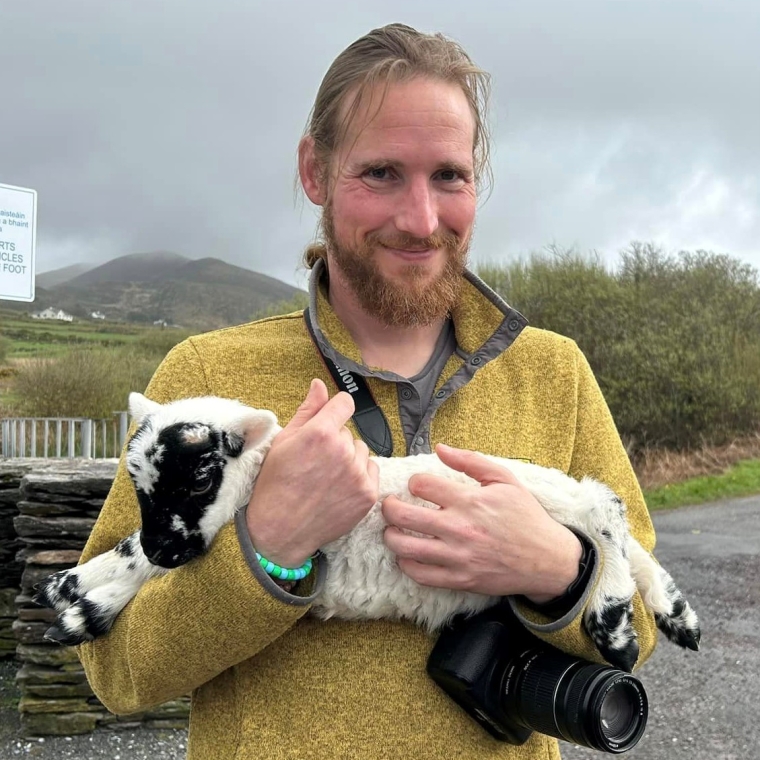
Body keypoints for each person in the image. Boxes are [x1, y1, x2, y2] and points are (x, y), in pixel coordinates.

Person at [78, 23, 659, 760]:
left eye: (449, 175)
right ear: (315, 171)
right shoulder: (203, 381)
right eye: (381, 173)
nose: (420, 220)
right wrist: (272, 551)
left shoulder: (554, 374)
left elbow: (638, 631)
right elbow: (114, 666)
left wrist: (557, 568)